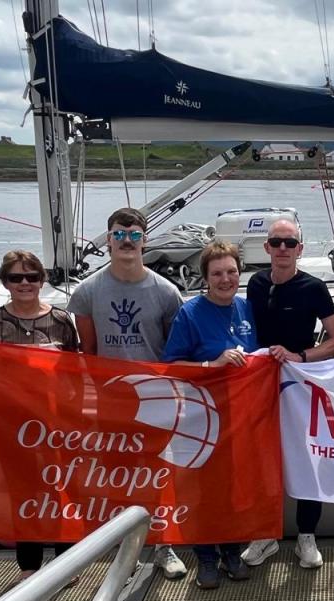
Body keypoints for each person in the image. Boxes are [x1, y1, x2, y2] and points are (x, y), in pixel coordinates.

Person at [67, 207, 187, 580]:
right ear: (109, 240)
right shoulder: (88, 291)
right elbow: (89, 350)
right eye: (119, 234)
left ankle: (164, 544)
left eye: (135, 235)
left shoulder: (166, 292)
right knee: (120, 476)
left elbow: (173, 350)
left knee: (158, 475)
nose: (127, 242)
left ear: (144, 240)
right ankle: (127, 550)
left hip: (156, 399)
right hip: (112, 400)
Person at [243, 218, 334, 569]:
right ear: (267, 248)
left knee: (307, 461)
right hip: (260, 385)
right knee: (262, 461)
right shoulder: (255, 284)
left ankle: (306, 537)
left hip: (301, 385)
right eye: (277, 242)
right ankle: (265, 536)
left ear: (300, 249)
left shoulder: (314, 288)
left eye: (290, 243)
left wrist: (300, 357)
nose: (283, 249)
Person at [0, 251, 81, 585]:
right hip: (11, 423)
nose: (25, 284)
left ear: (42, 280)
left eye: (32, 277)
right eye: (16, 278)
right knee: (24, 493)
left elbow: (76, 374)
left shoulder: (62, 321)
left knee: (59, 489)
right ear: (5, 282)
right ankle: (29, 565)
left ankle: (65, 561)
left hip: (55, 424)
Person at [162, 241, 255, 589]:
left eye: (231, 271)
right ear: (206, 278)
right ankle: (205, 556)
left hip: (238, 417)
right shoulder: (190, 313)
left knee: (232, 489)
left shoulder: (246, 308)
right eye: (217, 273)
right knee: (201, 491)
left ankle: (232, 550)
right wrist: (211, 365)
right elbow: (171, 366)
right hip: (200, 420)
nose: (226, 279)